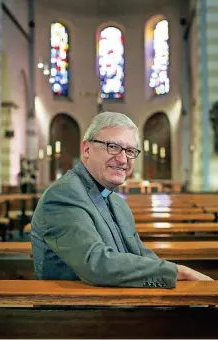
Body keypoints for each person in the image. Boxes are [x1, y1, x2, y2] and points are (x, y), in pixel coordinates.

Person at [31, 112, 213, 287]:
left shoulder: (118, 202)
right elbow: (96, 264)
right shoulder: (63, 194)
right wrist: (178, 273)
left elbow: (141, 255)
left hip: (119, 306)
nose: (122, 159)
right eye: (113, 147)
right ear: (86, 149)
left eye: (130, 150)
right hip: (82, 315)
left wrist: (178, 277)